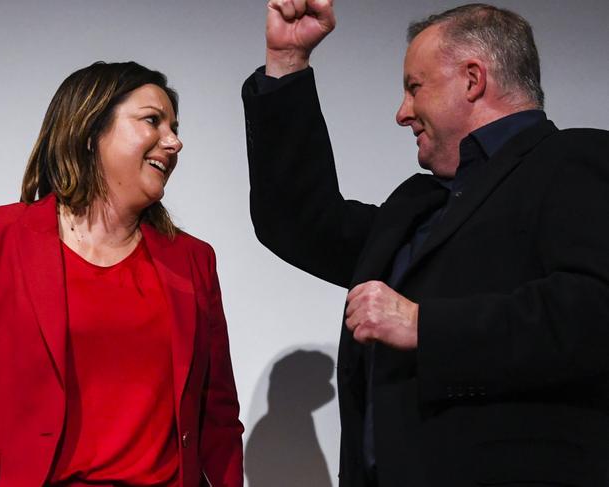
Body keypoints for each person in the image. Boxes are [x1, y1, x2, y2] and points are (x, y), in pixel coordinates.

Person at [242, 1, 609, 486]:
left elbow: (593, 313)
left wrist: (424, 325)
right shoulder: (418, 203)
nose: (402, 113)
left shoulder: (575, 161)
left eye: (415, 88)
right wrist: (287, 62)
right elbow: (298, 222)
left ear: (473, 80)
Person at [0, 61, 243, 486]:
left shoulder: (192, 260)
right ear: (90, 131)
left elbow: (217, 416)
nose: (174, 141)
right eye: (153, 121)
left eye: (175, 127)